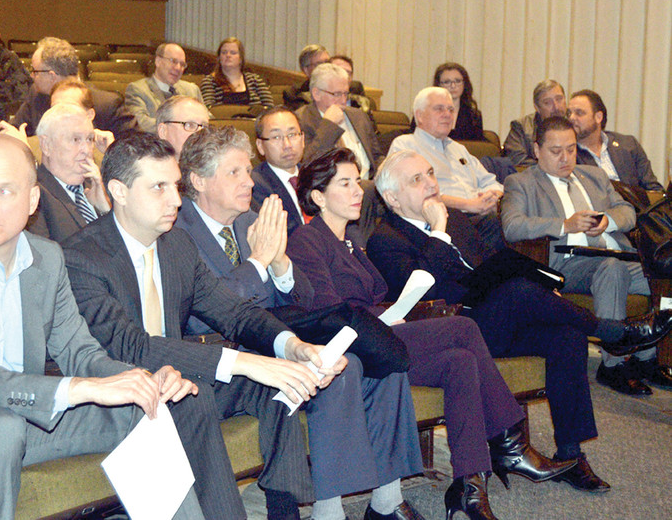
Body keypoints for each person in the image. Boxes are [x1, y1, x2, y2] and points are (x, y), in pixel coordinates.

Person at [0, 134, 224, 520]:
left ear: (32, 201)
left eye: (4, 192)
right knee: (0, 428)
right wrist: (81, 388)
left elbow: (80, 352)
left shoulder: (46, 257)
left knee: (141, 409)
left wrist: (141, 380)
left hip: (19, 421)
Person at [63, 132, 349, 520]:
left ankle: (286, 511)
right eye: (158, 187)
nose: (175, 200)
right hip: (123, 388)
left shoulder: (176, 245)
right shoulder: (84, 256)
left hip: (180, 372)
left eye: (176, 186)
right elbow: (130, 348)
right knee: (198, 397)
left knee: (277, 386)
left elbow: (235, 313)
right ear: (119, 190)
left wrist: (292, 347)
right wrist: (244, 362)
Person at [288, 147, 574, 519]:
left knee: (459, 361)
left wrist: (393, 312)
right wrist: (384, 316)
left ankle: (469, 486)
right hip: (351, 347)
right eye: (345, 184)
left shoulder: (351, 241)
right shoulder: (307, 241)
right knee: (463, 327)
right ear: (317, 197)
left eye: (357, 181)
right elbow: (327, 310)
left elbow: (377, 294)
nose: (358, 191)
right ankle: (508, 439)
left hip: (381, 339)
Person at [369, 148, 671, 495]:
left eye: (431, 173)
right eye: (417, 179)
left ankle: (572, 455)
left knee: (566, 334)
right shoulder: (386, 240)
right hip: (454, 331)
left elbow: (489, 268)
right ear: (392, 197)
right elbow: (423, 291)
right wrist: (437, 229)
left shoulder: (458, 220)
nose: (430, 184)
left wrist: (541, 286)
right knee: (517, 292)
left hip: (495, 320)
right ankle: (613, 332)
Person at [175, 126, 436, 520]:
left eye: (248, 171)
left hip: (279, 336)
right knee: (338, 370)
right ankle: (328, 511)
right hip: (222, 352)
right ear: (198, 180)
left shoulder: (252, 221)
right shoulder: (177, 233)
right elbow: (196, 313)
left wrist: (281, 267)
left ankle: (385, 501)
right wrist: (259, 262)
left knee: (380, 361)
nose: (249, 181)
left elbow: (308, 301)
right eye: (235, 173)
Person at [501, 116, 672, 395]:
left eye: (570, 149)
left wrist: (608, 221)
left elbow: (629, 212)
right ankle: (613, 364)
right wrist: (564, 225)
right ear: (536, 150)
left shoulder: (594, 175)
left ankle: (647, 360)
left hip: (616, 255)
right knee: (611, 268)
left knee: (662, 275)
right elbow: (512, 225)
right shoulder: (520, 182)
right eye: (556, 151)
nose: (565, 157)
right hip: (566, 264)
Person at [389, 86, 505, 254]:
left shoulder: (459, 149)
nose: (447, 114)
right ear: (419, 115)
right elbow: (413, 194)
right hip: (439, 219)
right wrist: (470, 205)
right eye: (439, 109)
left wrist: (491, 197)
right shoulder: (405, 145)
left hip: (478, 217)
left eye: (451, 109)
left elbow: (491, 182)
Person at [12, 37, 137, 138]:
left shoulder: (108, 106)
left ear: (51, 76)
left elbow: (137, 148)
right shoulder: (36, 94)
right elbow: (15, 129)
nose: (31, 76)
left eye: (35, 71)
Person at [29, 103, 110, 243]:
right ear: (46, 145)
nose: (86, 149)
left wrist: (105, 211)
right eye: (76, 140)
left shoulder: (98, 184)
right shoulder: (36, 196)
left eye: (90, 139)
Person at [296, 63, 381, 180]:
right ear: (316, 94)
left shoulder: (359, 116)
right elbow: (307, 163)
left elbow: (376, 157)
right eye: (336, 94)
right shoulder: (301, 120)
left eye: (345, 93)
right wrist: (329, 125)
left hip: (369, 186)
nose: (343, 101)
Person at [568, 89, 664, 192]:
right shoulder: (569, 153)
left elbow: (653, 188)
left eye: (579, 113)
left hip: (637, 206)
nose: (571, 118)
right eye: (569, 113)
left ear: (598, 117)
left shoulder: (628, 145)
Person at [251, 106, 309, 236]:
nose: (287, 145)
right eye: (276, 137)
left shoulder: (316, 176)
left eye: (293, 134)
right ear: (260, 146)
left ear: (303, 139)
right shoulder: (254, 186)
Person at [124, 43, 202, 133]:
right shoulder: (137, 89)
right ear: (158, 61)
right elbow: (140, 123)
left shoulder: (192, 90)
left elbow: (207, 121)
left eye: (182, 64)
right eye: (173, 61)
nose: (178, 68)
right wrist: (181, 128)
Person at [410, 63, 484, 141]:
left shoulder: (474, 115)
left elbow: (477, 147)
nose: (453, 86)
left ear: (464, 84)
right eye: (447, 82)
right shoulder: (424, 111)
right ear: (438, 85)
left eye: (458, 81)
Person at [503, 79, 567, 168]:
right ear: (537, 107)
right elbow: (517, 159)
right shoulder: (521, 127)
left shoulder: (575, 124)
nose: (556, 107)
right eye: (547, 103)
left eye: (559, 99)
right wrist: (552, 168)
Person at [199, 37, 273, 108]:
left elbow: (269, 108)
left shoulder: (255, 80)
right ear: (219, 58)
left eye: (233, 53)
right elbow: (208, 109)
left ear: (241, 58)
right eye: (224, 52)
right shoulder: (209, 81)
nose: (228, 55)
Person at [50, 78, 115, 154]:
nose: (61, 115)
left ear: (90, 115)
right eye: (55, 109)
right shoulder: (36, 150)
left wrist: (111, 155)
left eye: (70, 109)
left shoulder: (104, 151)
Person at [283, 44, 329, 111]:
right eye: (319, 64)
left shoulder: (343, 88)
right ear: (306, 70)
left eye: (328, 62)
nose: (326, 67)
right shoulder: (294, 95)